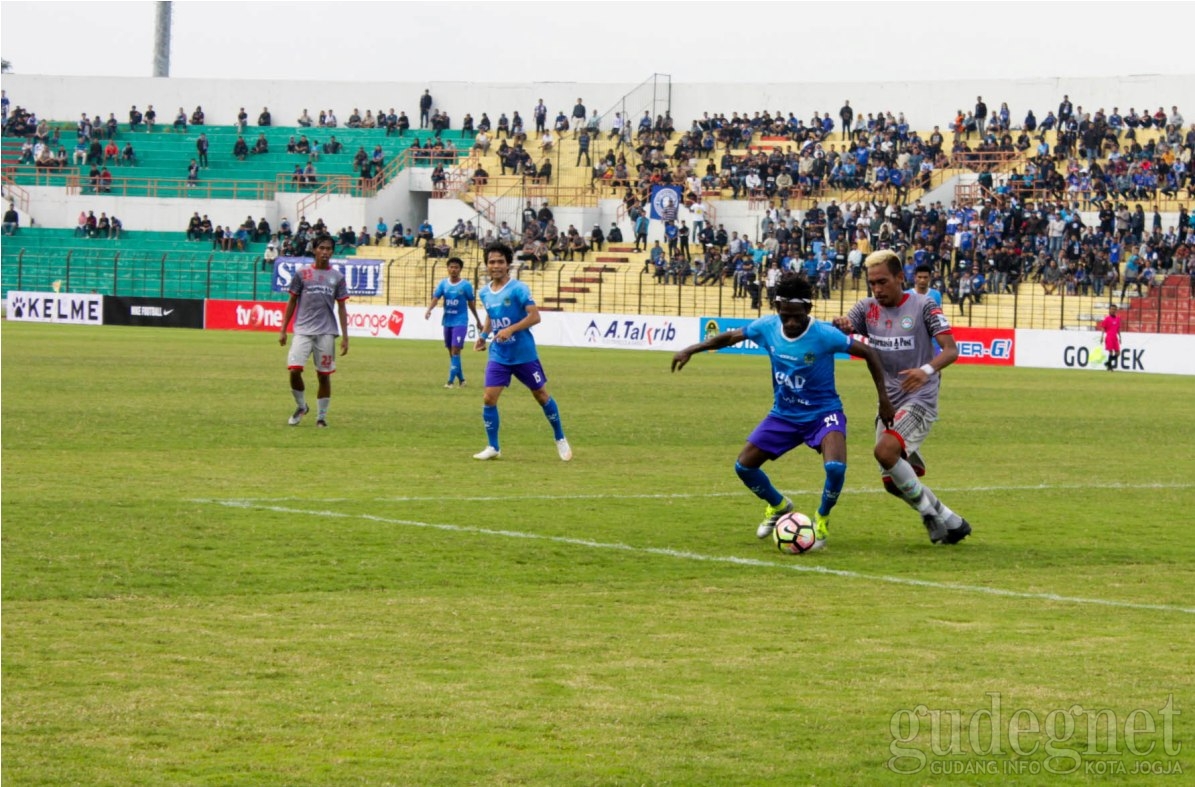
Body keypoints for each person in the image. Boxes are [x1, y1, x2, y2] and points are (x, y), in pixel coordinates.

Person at [672, 273, 894, 549]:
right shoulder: (767, 326)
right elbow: (730, 337)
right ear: (777, 309)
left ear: (808, 310)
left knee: (836, 468)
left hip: (823, 412)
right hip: (784, 414)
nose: (789, 322)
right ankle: (778, 505)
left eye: (796, 316)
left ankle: (821, 519)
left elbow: (870, 353)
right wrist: (691, 349)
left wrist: (884, 399)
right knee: (744, 467)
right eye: (784, 315)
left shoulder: (825, 335)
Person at [832, 250, 972, 545]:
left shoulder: (924, 305)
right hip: (889, 400)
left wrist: (925, 370)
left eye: (883, 282)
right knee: (893, 483)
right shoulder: (867, 308)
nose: (877, 289)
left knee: (885, 452)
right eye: (872, 283)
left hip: (920, 397)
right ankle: (952, 522)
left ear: (900, 278)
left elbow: (951, 350)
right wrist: (841, 325)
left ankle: (926, 513)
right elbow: (845, 327)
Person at [471, 242, 572, 462]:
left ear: (507, 265)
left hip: (524, 354)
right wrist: (483, 336)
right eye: (491, 262)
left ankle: (560, 437)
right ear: (486, 265)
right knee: (489, 398)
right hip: (499, 354)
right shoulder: (484, 292)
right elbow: (491, 316)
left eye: (500, 262)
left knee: (541, 395)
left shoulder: (519, 289)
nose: (495, 265)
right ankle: (493, 446)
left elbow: (535, 316)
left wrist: (510, 329)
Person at [278, 234, 350, 428]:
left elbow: (342, 307)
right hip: (302, 329)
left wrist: (345, 337)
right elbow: (292, 301)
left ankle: (321, 417)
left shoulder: (337, 277)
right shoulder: (302, 274)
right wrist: (283, 329)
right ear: (314, 249)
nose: (325, 252)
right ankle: (301, 406)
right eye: (322, 248)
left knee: (324, 375)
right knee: (294, 370)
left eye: (329, 249)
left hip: (326, 331)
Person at [425, 257, 484, 388]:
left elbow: (471, 304)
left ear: (460, 269)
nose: (453, 269)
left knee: (456, 350)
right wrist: (429, 309)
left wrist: (478, 320)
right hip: (447, 321)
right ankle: (462, 380)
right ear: (448, 268)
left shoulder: (466, 285)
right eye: (451, 267)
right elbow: (436, 298)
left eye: (456, 267)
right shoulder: (443, 284)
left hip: (461, 322)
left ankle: (450, 382)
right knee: (452, 352)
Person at [1096, 303, 1122, 372]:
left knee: (1118, 353)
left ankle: (1108, 363)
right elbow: (1103, 328)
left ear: (1116, 310)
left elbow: (1118, 329)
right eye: (1112, 309)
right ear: (1109, 310)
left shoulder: (1118, 319)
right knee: (1111, 352)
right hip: (1109, 337)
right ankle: (1109, 367)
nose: (1113, 310)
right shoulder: (1107, 319)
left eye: (1114, 309)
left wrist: (1120, 337)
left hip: (1115, 337)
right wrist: (1102, 337)